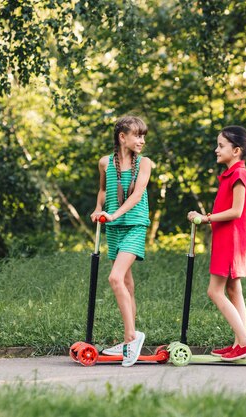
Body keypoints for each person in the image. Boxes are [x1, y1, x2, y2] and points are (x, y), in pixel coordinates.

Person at [187, 126, 246, 361]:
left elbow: (236, 211)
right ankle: (240, 343)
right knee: (232, 289)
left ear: (236, 150)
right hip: (228, 239)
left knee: (214, 290)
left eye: (221, 146)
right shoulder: (232, 174)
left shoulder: (239, 174)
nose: (216, 149)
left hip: (231, 241)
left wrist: (205, 218)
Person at [90, 115, 152, 367]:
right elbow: (104, 191)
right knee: (126, 283)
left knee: (114, 278)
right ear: (122, 137)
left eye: (143, 136)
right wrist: (98, 208)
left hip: (134, 226)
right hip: (113, 229)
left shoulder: (145, 163)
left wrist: (114, 214)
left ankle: (131, 337)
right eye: (137, 135)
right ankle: (130, 338)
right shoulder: (105, 162)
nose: (142, 140)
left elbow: (137, 195)